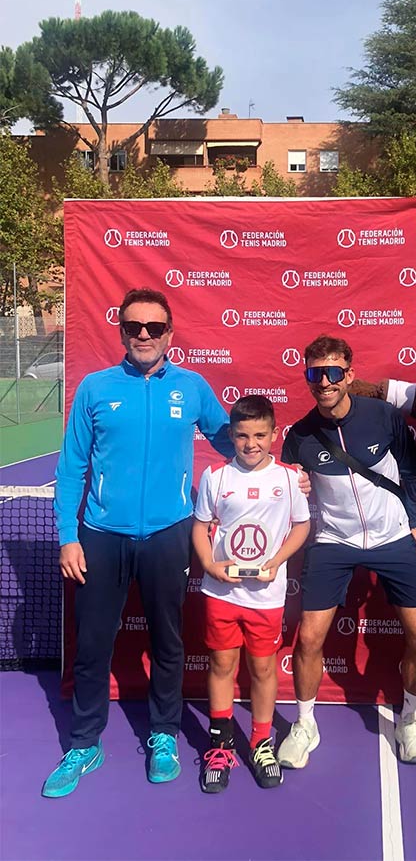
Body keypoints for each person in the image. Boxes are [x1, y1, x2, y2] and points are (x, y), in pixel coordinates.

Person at [42, 287, 234, 798]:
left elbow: (233, 443)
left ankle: (164, 736)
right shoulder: (94, 388)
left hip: (169, 535)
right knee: (92, 647)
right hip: (100, 537)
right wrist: (67, 537)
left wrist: (282, 473)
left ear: (170, 333)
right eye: (134, 327)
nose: (144, 335)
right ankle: (84, 744)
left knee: (169, 643)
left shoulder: (192, 387)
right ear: (121, 331)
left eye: (154, 327)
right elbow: (71, 469)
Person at [277, 335, 416, 769]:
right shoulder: (300, 436)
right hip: (334, 541)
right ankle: (305, 724)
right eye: (315, 373)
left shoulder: (384, 417)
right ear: (307, 377)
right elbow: (288, 490)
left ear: (348, 374)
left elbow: (414, 470)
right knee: (308, 638)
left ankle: (410, 721)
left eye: (332, 372)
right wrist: (296, 485)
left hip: (392, 536)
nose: (324, 381)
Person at [192, 395, 310, 792]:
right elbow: (200, 526)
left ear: (275, 435)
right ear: (231, 435)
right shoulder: (216, 476)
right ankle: (220, 743)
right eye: (242, 435)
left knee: (262, 669)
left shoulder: (290, 479)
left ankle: (261, 741)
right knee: (222, 665)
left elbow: (301, 527)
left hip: (266, 597)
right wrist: (210, 566)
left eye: (260, 434)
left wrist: (277, 562)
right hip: (222, 594)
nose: (251, 443)